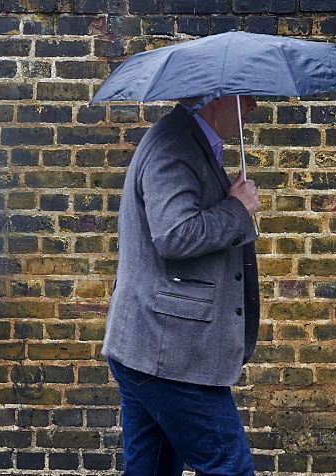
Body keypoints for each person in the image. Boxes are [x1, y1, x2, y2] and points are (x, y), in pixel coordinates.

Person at [101, 94, 261, 475]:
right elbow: (174, 234)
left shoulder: (189, 140)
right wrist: (237, 208)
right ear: (217, 98)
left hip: (152, 347)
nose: (254, 106)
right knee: (230, 468)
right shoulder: (174, 145)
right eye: (246, 96)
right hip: (172, 354)